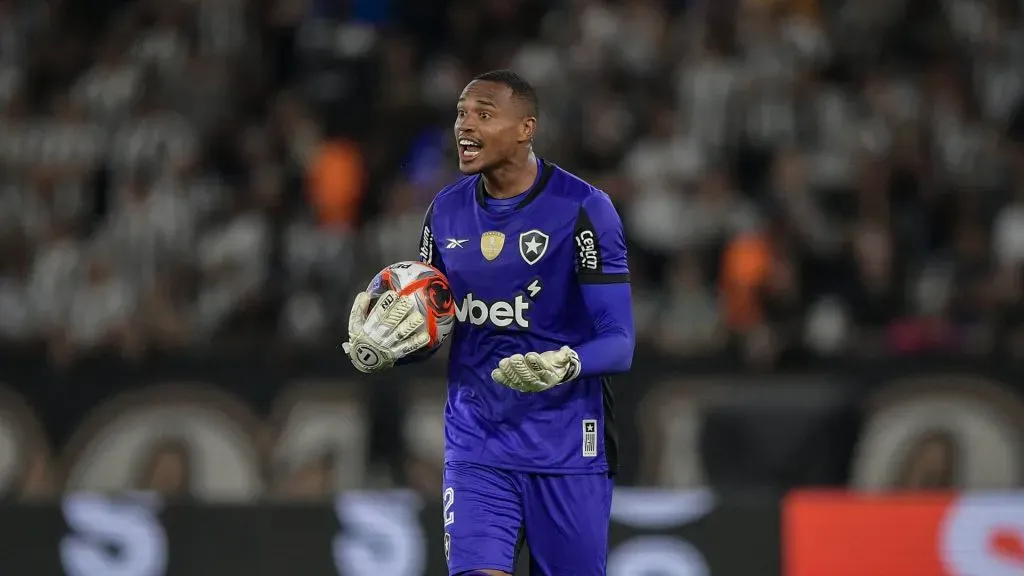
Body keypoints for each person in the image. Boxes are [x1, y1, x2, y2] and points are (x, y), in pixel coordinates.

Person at [344, 70, 635, 576]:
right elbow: (433, 323)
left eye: (483, 114)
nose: (464, 126)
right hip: (477, 446)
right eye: (460, 113)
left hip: (567, 449)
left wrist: (565, 363)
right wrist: (389, 343)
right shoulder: (445, 212)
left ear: (526, 128)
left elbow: (620, 342)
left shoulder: (585, 209)